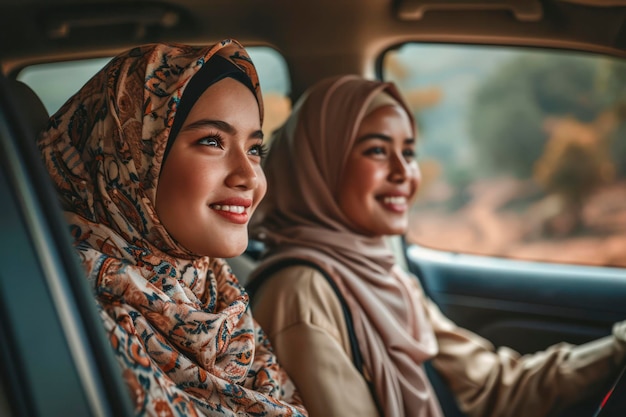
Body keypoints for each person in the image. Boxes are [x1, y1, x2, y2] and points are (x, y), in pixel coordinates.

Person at [246, 74, 626, 417]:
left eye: (409, 153)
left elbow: (493, 386)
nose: (404, 173)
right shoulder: (299, 295)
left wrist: (616, 349)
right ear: (319, 165)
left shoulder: (381, 275)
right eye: (377, 150)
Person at [38, 39, 307, 416]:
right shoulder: (69, 317)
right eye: (212, 141)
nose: (249, 176)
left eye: (254, 149)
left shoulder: (218, 293)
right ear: (128, 157)